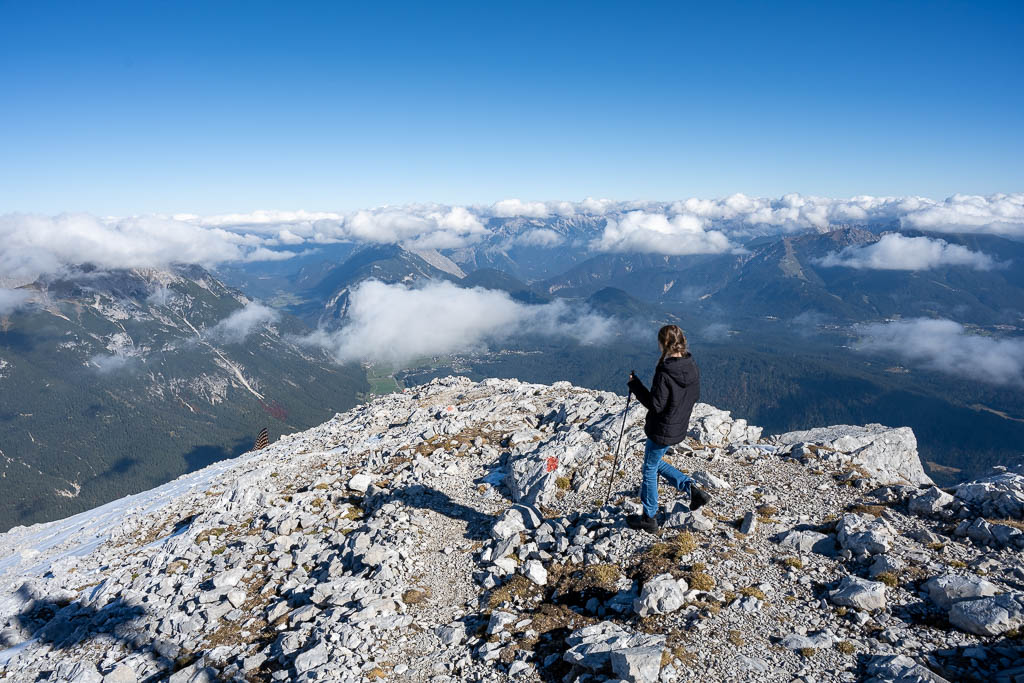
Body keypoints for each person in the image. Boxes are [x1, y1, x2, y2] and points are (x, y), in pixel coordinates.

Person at [626, 324, 711, 532]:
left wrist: (635, 385)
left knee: (649, 469)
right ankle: (692, 491)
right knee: (653, 462)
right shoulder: (691, 365)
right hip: (678, 426)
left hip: (662, 429)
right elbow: (694, 395)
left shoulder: (665, 371)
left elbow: (656, 405)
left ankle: (649, 517)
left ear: (663, 344)